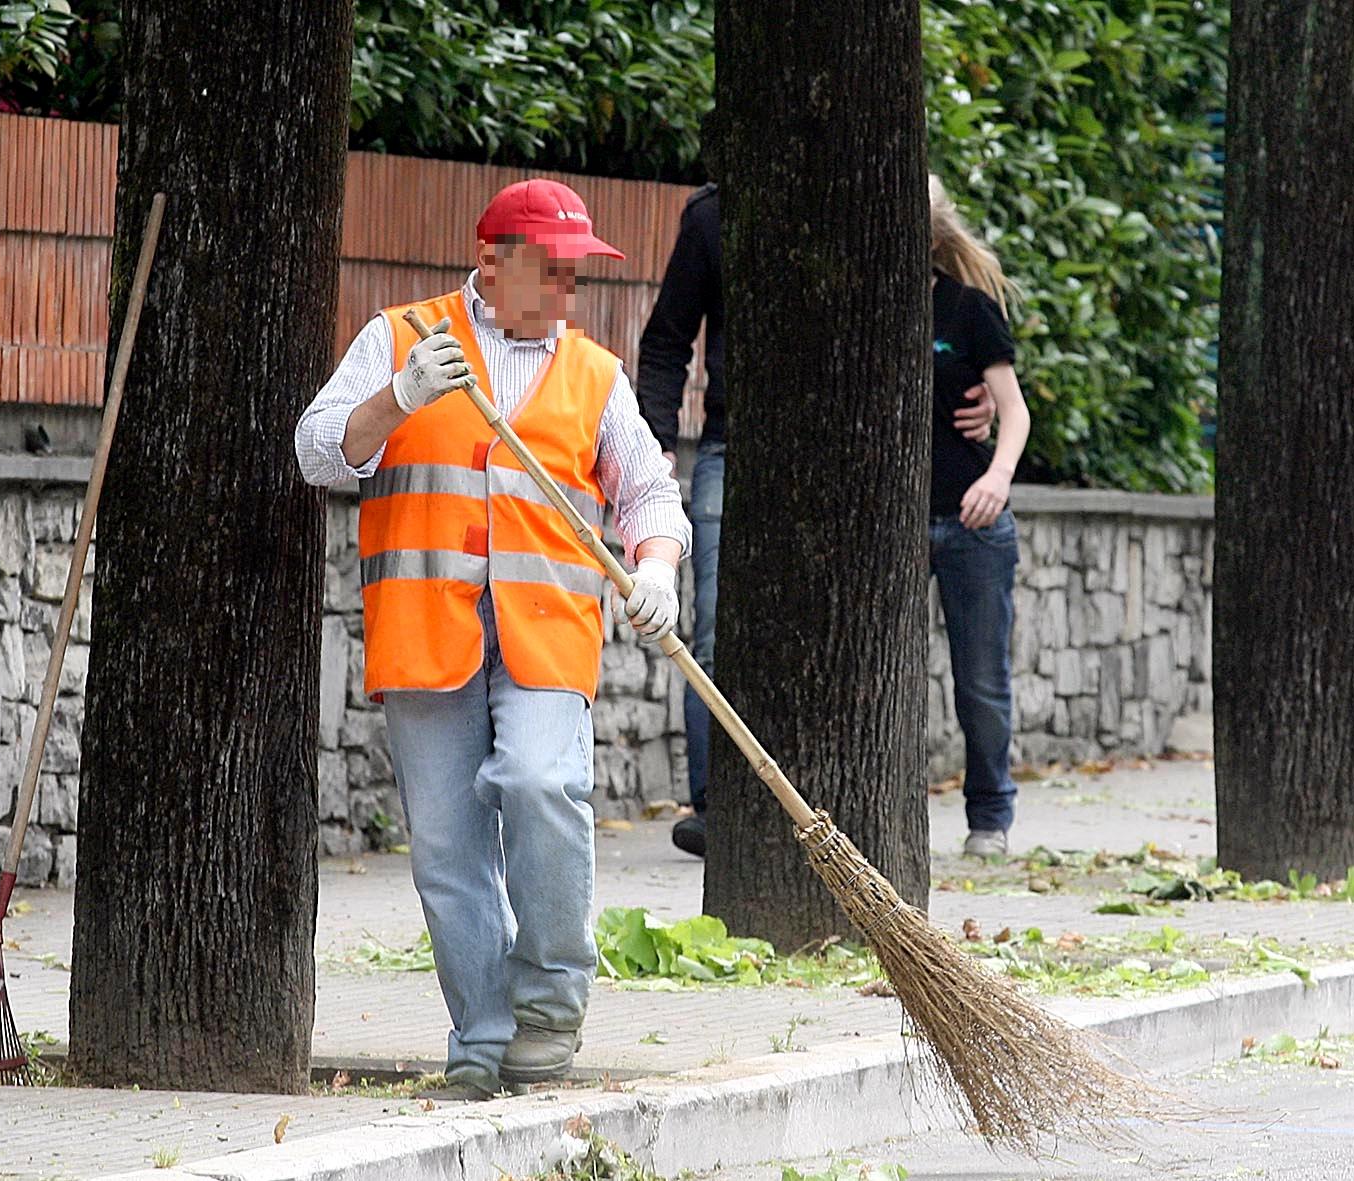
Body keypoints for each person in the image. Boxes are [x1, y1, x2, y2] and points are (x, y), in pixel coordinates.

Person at [294, 179, 689, 1101]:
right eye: (551, 272)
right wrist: (396, 398)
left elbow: (648, 494)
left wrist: (658, 564)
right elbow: (315, 450)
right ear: (491, 260)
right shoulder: (400, 340)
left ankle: (551, 1000)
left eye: (574, 276)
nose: (566, 293)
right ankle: (481, 1039)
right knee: (446, 852)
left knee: (541, 782)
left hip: (545, 634)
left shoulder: (594, 374)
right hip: (427, 632)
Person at [637, 183, 998, 857]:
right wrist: (656, 436)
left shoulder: (860, 191)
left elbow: (945, 324)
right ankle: (716, 808)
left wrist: (986, 403)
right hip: (732, 446)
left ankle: (835, 800)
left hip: (850, 453)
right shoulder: (715, 217)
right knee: (716, 628)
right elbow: (666, 342)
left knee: (841, 633)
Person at [926, 174, 1031, 859]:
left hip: (970, 524)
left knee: (982, 683)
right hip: (892, 525)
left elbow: (1014, 410)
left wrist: (996, 477)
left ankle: (990, 815)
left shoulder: (967, 309)